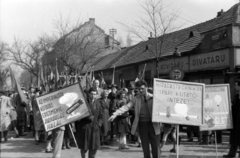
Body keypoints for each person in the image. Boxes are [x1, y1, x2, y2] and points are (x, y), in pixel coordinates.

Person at [109, 80, 162, 158]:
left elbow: (163, 106)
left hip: (153, 125)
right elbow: (126, 107)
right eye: (138, 89)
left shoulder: (154, 97)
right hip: (142, 125)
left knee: (156, 146)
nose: (140, 90)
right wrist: (115, 114)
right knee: (145, 147)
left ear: (146, 88)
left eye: (142, 88)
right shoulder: (136, 99)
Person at [76, 87, 103, 158]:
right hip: (85, 127)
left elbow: (101, 116)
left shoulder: (98, 104)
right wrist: (86, 116)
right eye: (91, 94)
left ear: (97, 95)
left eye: (95, 94)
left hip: (95, 128)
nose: (93, 96)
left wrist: (99, 124)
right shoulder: (83, 103)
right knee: (83, 148)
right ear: (88, 94)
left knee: (93, 148)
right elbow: (78, 114)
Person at [223, 81, 240, 158]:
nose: (234, 87)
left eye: (236, 85)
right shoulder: (236, 96)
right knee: (234, 138)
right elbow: (233, 108)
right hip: (235, 120)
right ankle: (231, 154)